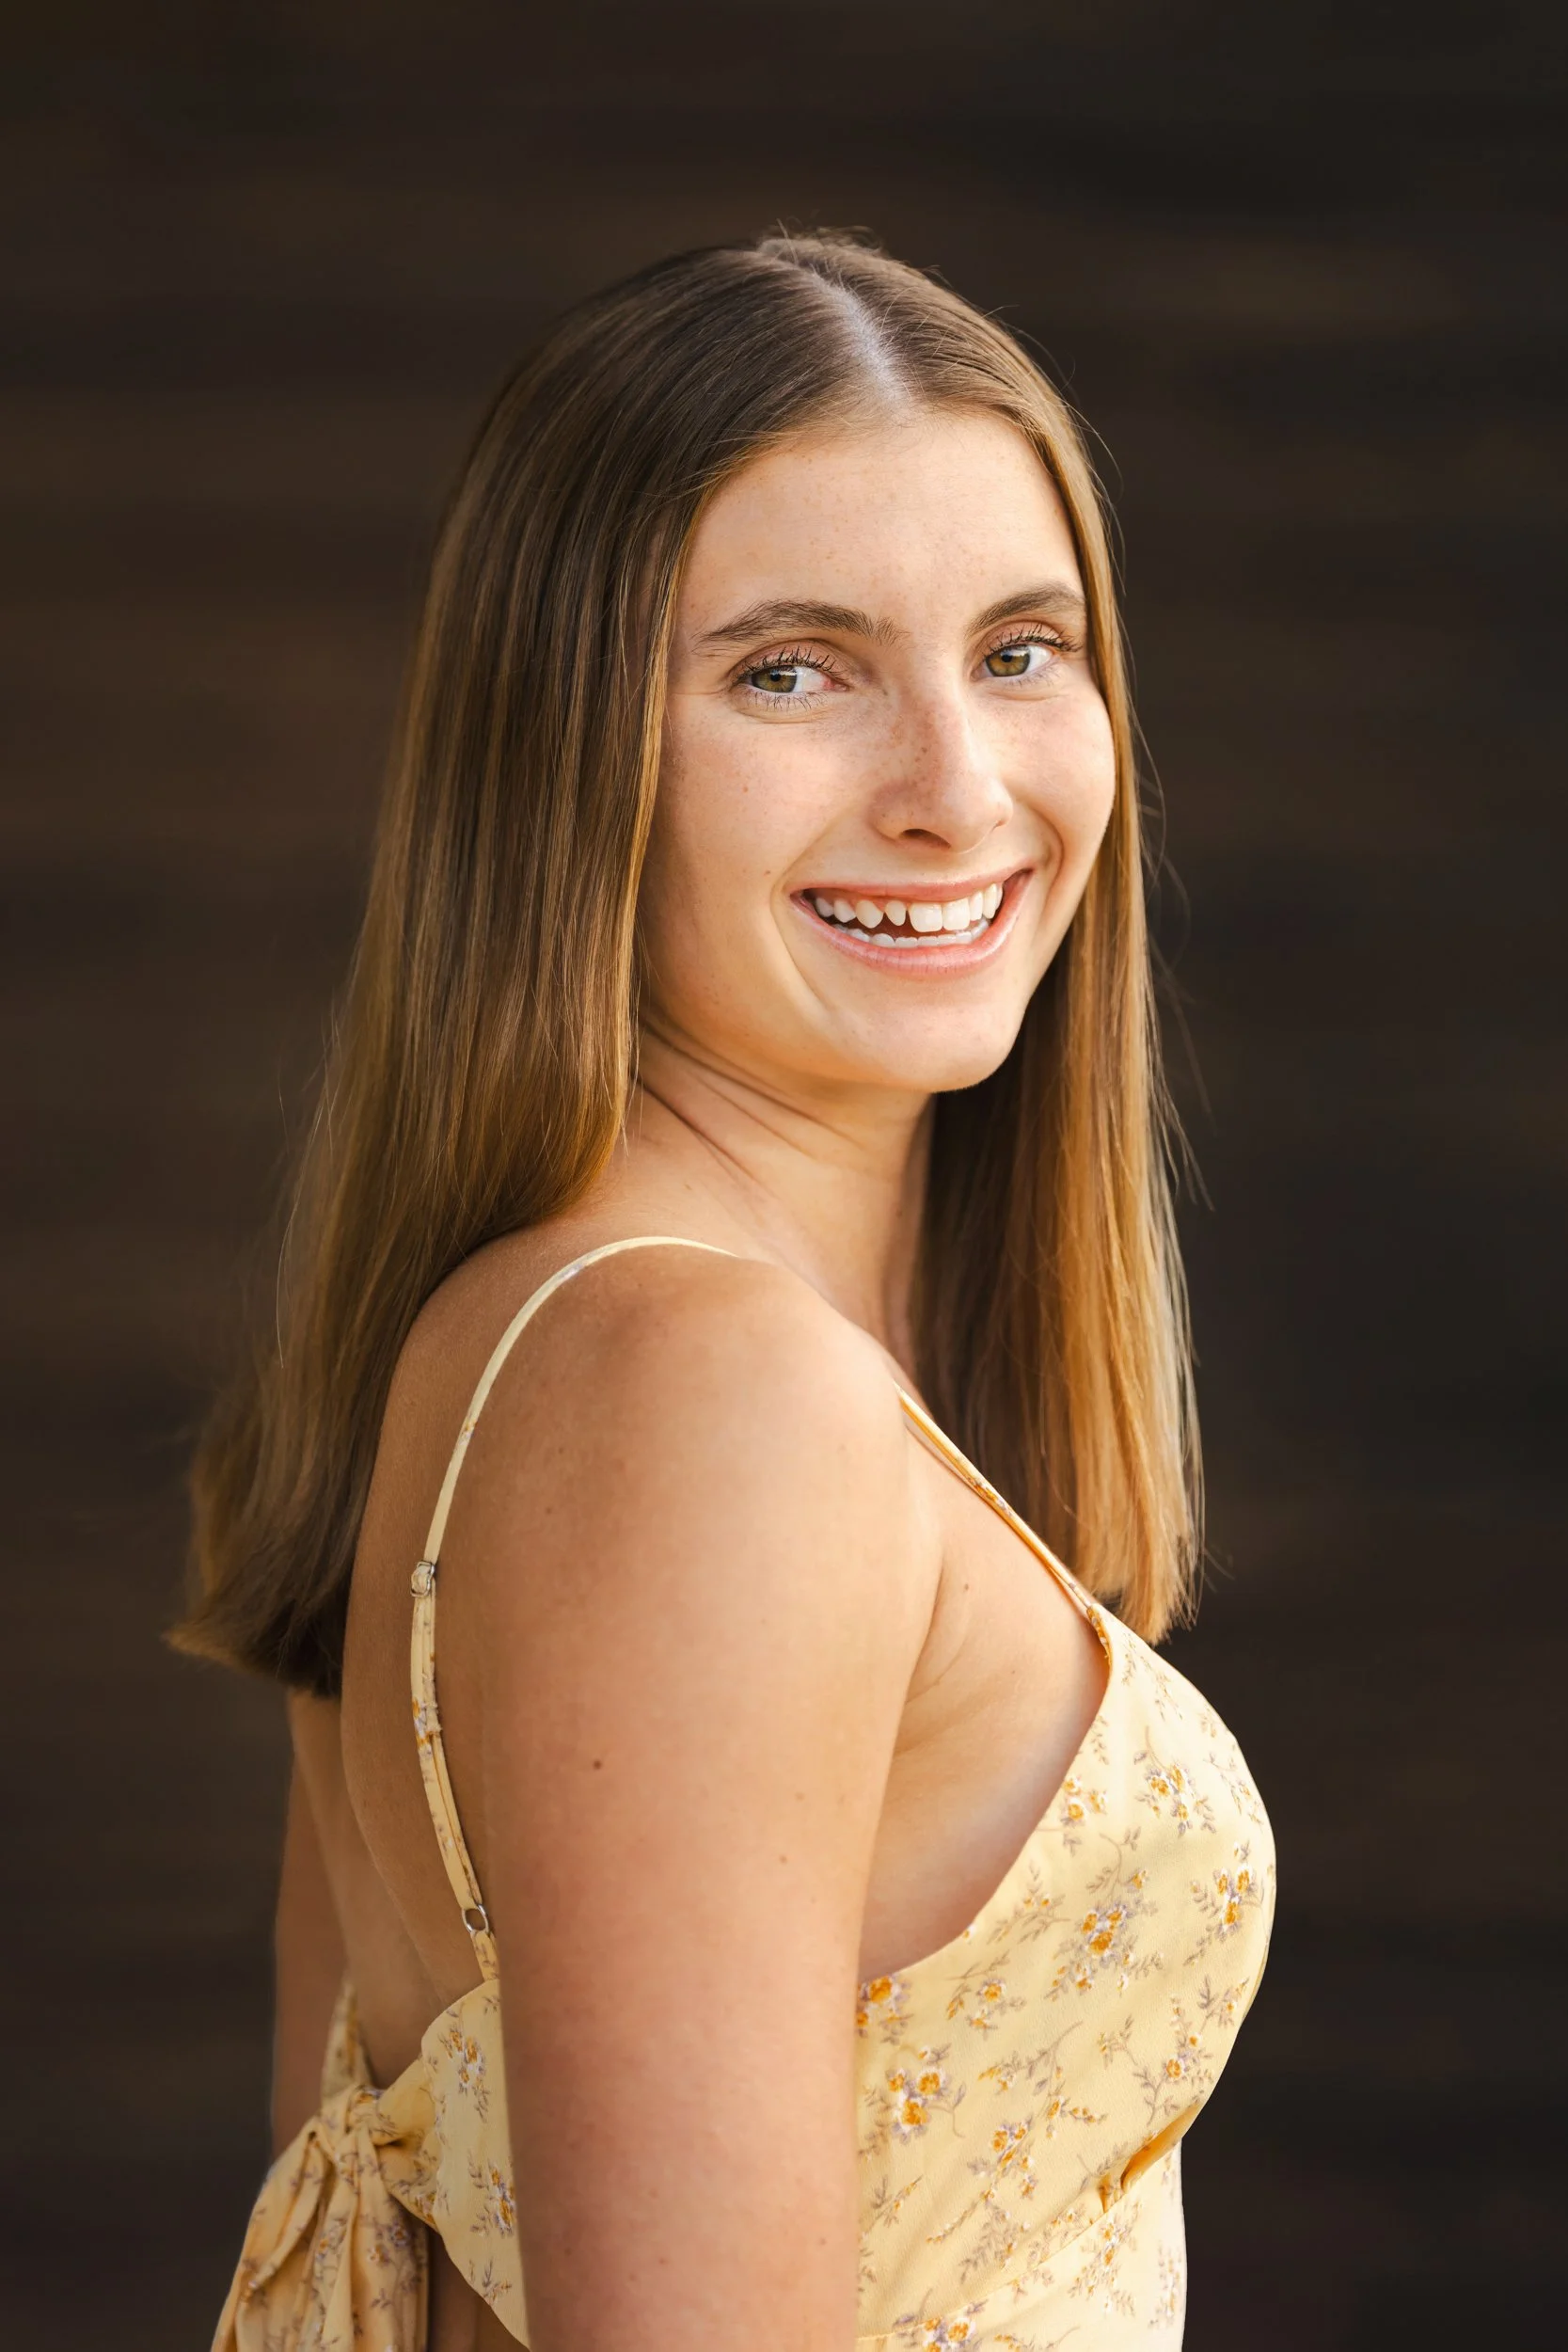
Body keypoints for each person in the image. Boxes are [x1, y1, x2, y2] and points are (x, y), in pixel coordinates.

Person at [180, 230, 1275, 2352]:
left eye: (1022, 650)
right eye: (792, 666)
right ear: (568, 751)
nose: (957, 787)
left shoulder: (540, 1352)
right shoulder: (696, 1388)